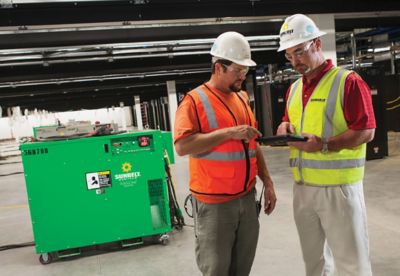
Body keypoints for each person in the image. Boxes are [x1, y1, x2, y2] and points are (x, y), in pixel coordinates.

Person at [276, 14, 375, 276]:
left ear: (317, 44)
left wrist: (324, 145)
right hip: (303, 188)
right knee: (315, 263)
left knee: (351, 264)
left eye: (300, 52)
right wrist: (284, 128)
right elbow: (288, 121)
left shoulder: (348, 82)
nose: (295, 61)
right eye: (289, 56)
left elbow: (366, 131)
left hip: (339, 189)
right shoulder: (294, 89)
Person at [174, 31, 277, 276]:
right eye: (238, 71)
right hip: (214, 206)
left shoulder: (241, 97)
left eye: (245, 71)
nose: (243, 76)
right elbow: (182, 146)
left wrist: (268, 181)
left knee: (242, 267)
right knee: (217, 269)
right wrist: (229, 133)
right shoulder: (194, 101)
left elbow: (253, 144)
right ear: (219, 67)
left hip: (246, 198)